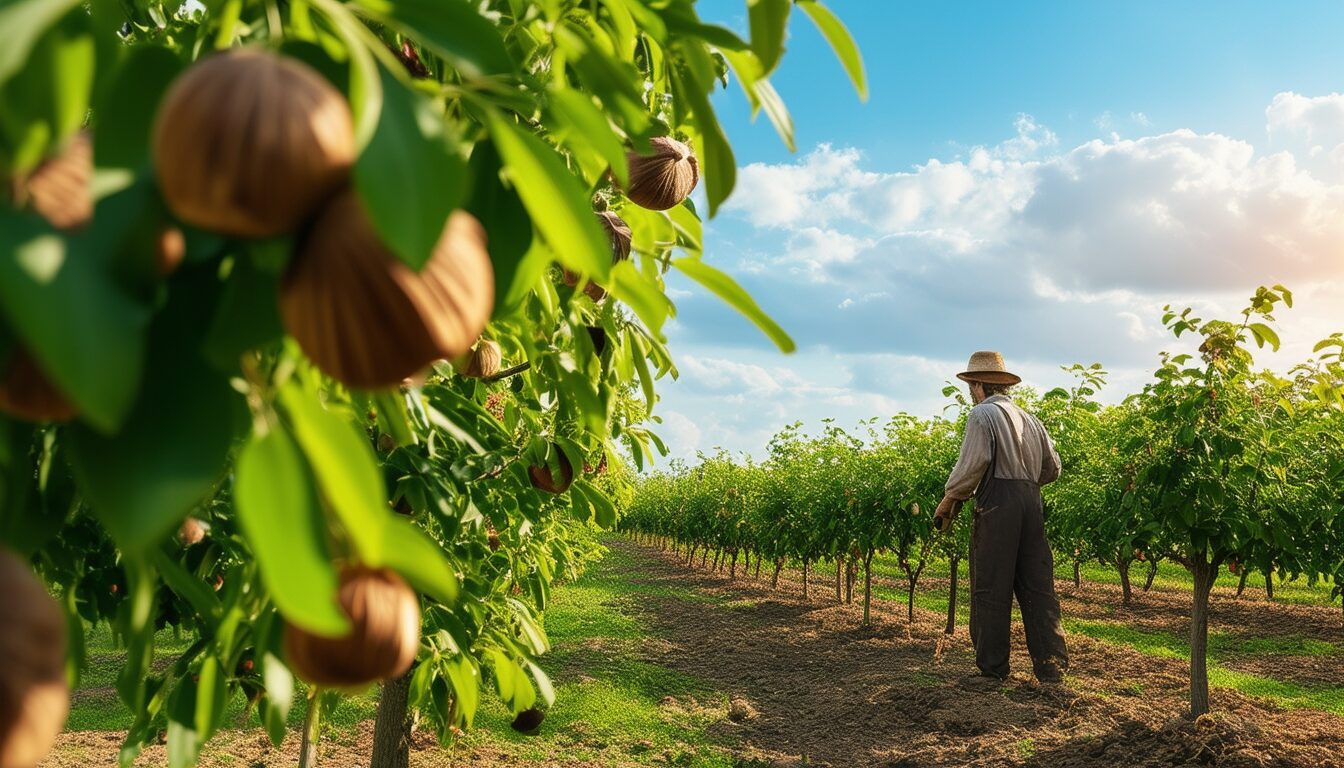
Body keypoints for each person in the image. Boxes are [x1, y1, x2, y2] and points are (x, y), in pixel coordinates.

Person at [933, 351, 1069, 689]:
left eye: (970, 386)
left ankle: (992, 671)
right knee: (1038, 587)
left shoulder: (981, 415)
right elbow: (1052, 468)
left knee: (991, 585)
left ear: (978, 386)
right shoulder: (1033, 420)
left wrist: (951, 497)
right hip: (1032, 504)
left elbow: (973, 465)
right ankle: (1052, 671)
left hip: (998, 505)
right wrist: (1026, 484)